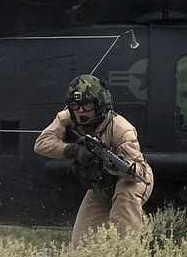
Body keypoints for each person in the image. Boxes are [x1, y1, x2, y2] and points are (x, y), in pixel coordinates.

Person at [34, 74, 153, 244]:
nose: (81, 111)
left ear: (100, 104)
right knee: (81, 241)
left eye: (87, 105)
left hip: (129, 180)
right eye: (75, 105)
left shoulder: (121, 129)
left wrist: (116, 165)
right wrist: (73, 150)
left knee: (125, 196)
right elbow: (41, 144)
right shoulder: (67, 118)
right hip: (101, 184)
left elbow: (139, 172)